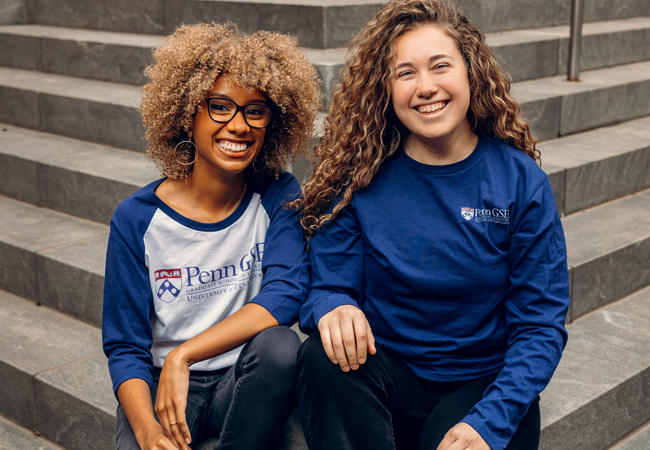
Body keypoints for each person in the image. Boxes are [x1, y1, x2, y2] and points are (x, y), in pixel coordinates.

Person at [291, 1, 570, 450]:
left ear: (471, 73)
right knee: (321, 358)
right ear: (385, 88)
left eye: (440, 66)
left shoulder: (519, 182)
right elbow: (329, 285)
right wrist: (332, 307)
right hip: (384, 373)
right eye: (405, 73)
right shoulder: (358, 175)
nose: (425, 87)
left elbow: (540, 325)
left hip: (481, 386)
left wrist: (490, 422)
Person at [102, 23, 320, 450]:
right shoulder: (136, 219)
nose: (239, 126)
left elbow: (286, 294)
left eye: (255, 110)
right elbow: (125, 346)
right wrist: (147, 431)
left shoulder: (277, 193)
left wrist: (187, 353)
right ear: (188, 113)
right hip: (165, 388)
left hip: (242, 381)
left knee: (279, 346)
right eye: (220, 106)